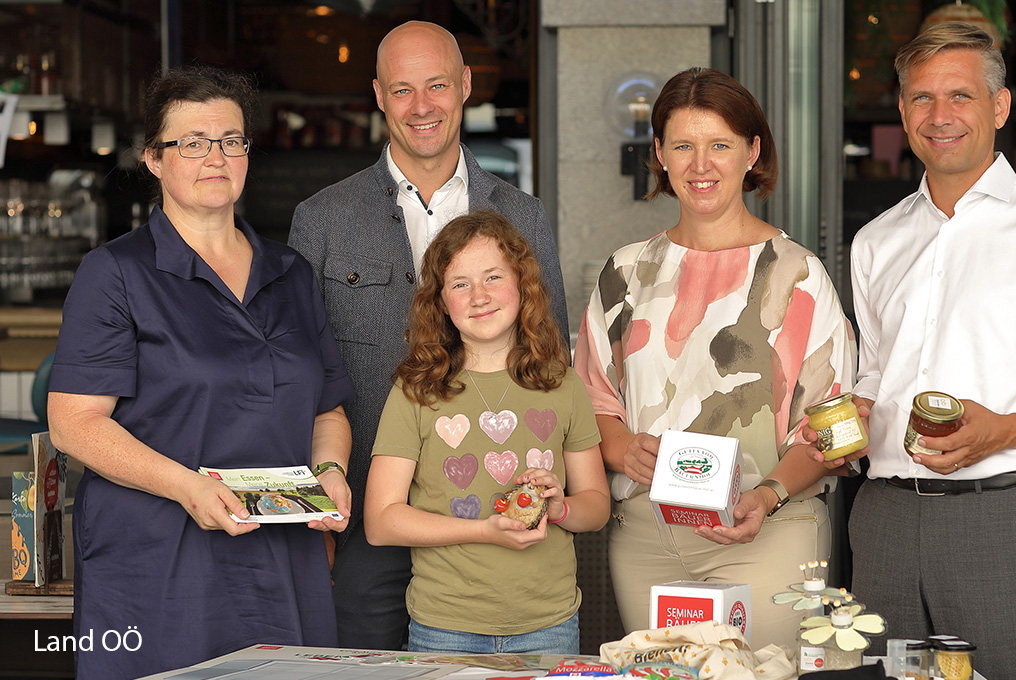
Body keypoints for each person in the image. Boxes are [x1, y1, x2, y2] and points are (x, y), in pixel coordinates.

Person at [811, 23, 1016, 680]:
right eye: (921, 98)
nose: (940, 117)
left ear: (999, 107)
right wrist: (847, 417)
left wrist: (1005, 430)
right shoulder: (876, 242)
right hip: (880, 520)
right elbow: (881, 372)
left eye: (960, 96)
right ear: (904, 110)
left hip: (1000, 516)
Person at [46, 65, 354, 679]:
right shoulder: (116, 273)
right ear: (154, 159)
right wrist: (188, 487)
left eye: (230, 140)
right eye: (191, 142)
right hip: (160, 559)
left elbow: (328, 409)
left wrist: (331, 473)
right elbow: (74, 424)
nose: (214, 156)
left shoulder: (291, 273)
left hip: (280, 551)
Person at [288, 20, 569, 651]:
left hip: (491, 519)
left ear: (466, 85)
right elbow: (300, 375)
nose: (422, 107)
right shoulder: (322, 219)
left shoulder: (521, 215)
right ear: (380, 96)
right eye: (403, 89)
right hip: (363, 519)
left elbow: (552, 352)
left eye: (437, 85)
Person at [573, 66, 858, 649]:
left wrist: (767, 495)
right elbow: (590, 400)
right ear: (659, 153)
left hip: (769, 532)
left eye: (720, 146)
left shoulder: (799, 275)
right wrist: (623, 448)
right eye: (683, 145)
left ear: (753, 151)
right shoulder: (623, 273)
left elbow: (837, 428)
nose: (701, 165)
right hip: (647, 539)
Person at [364, 211, 608, 653]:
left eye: (493, 277)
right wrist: (484, 531)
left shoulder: (563, 383)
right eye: (459, 284)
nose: (479, 296)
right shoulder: (416, 389)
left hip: (549, 623)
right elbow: (381, 521)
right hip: (444, 625)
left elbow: (596, 508)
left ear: (522, 284)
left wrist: (556, 508)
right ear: (439, 301)